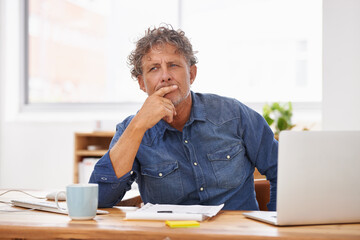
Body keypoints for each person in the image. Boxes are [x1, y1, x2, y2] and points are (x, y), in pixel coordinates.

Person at [89, 24, 278, 211]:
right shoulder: (131, 130)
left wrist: (273, 223)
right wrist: (138, 126)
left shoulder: (234, 114)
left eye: (173, 65)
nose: (165, 76)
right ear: (142, 83)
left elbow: (283, 171)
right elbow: (98, 199)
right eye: (154, 68)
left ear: (192, 74)